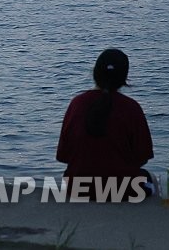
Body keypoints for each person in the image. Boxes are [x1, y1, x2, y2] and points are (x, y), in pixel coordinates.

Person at [56, 48, 154, 199]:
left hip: (77, 188)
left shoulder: (77, 104)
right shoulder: (131, 108)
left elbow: (64, 156)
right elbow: (143, 157)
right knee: (150, 177)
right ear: (124, 78)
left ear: (95, 73)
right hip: (123, 190)